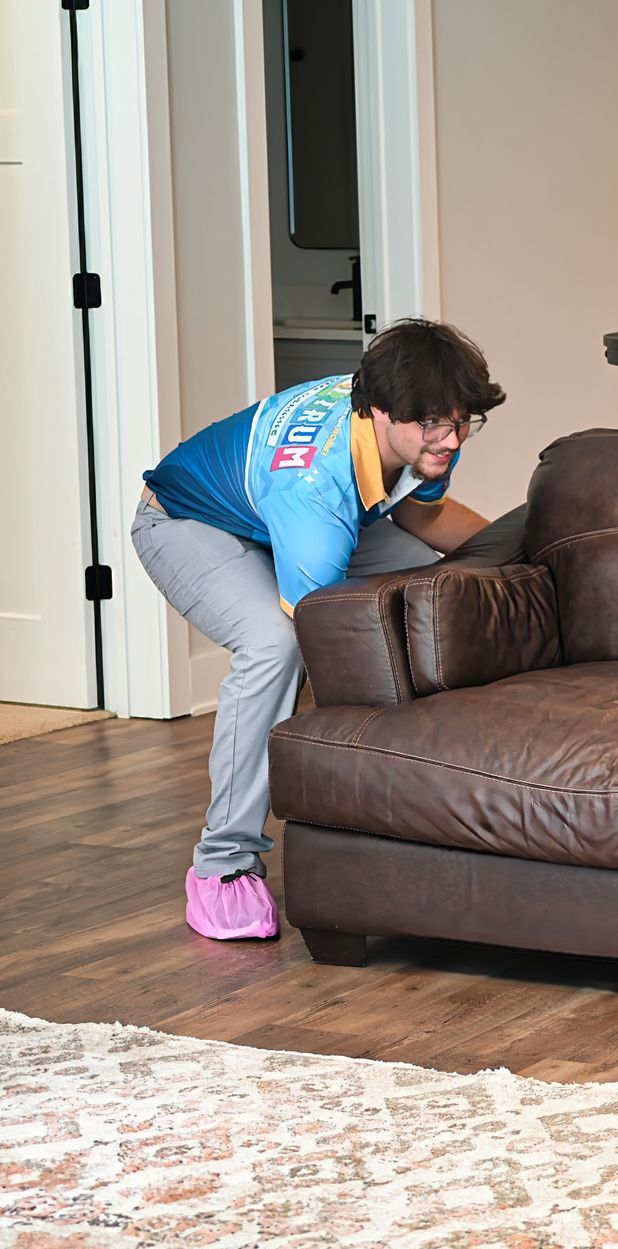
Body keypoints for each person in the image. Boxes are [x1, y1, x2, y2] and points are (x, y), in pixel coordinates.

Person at [132, 319, 503, 941]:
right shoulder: (314, 493)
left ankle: (451, 817)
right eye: (433, 424)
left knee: (449, 590)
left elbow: (422, 509)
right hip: (189, 523)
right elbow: (330, 640)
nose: (450, 438)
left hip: (301, 512)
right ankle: (223, 864)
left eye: (463, 421)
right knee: (274, 648)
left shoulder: (416, 426)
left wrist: (521, 557)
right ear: (380, 412)